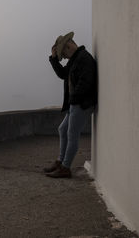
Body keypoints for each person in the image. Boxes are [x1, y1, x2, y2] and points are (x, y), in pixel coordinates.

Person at [44, 31, 98, 178]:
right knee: (63, 130)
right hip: (75, 103)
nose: (65, 58)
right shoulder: (75, 59)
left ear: (69, 46)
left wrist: (74, 99)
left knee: (72, 134)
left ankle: (65, 167)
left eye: (64, 55)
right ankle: (61, 162)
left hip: (81, 104)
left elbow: (85, 83)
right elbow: (63, 74)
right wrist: (54, 60)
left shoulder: (84, 58)